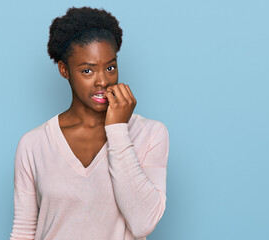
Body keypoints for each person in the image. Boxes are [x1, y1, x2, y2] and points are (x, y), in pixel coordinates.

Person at [10, 6, 169, 240]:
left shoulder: (151, 134)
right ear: (64, 70)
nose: (102, 81)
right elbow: (23, 232)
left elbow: (143, 223)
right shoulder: (33, 144)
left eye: (111, 67)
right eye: (87, 71)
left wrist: (117, 130)